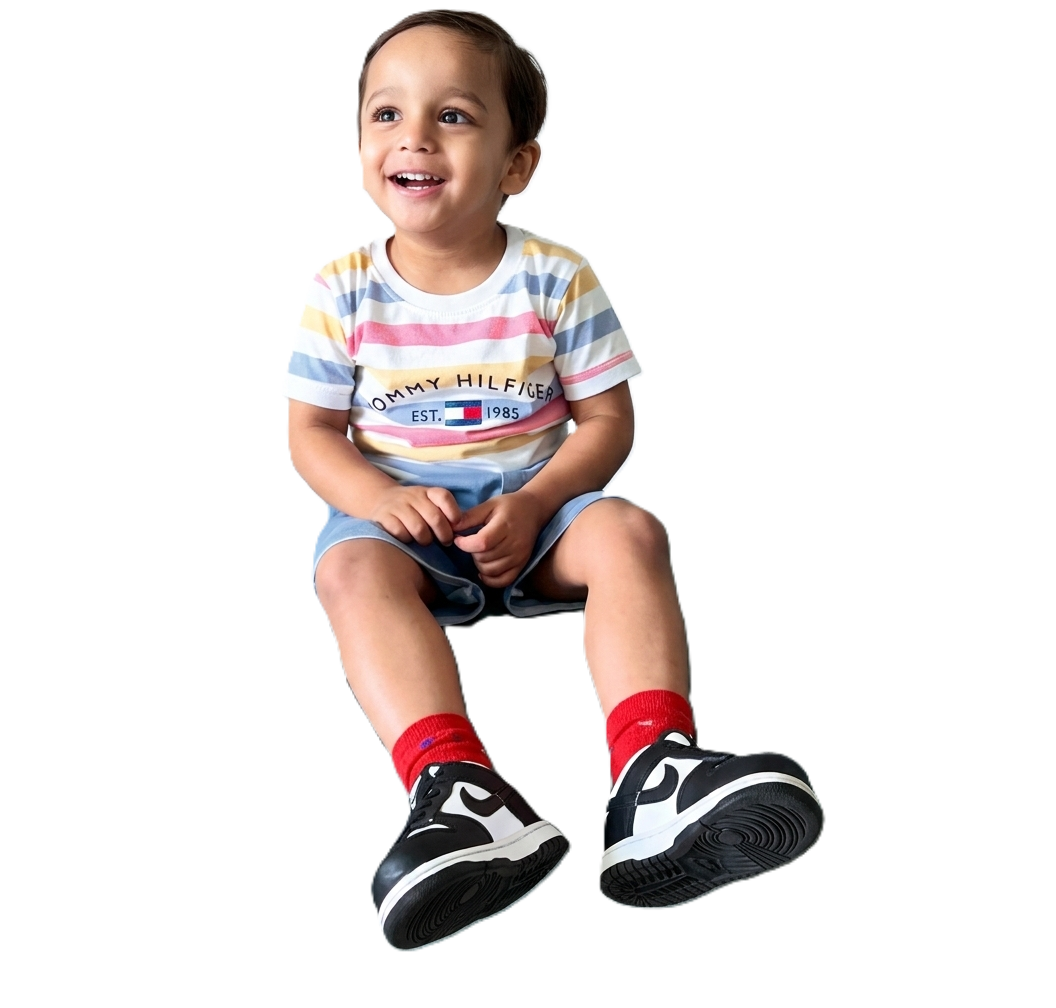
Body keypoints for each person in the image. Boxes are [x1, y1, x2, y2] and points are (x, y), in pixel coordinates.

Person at [282, 7, 821, 950]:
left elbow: (605, 421)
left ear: (516, 163)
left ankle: (654, 775)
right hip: (404, 529)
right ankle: (458, 793)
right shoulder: (344, 287)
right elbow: (311, 433)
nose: (414, 135)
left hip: (538, 511)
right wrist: (378, 500)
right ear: (360, 146)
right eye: (386, 113)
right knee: (348, 572)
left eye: (454, 115)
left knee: (629, 531)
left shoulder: (553, 276)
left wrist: (536, 504)